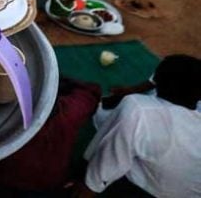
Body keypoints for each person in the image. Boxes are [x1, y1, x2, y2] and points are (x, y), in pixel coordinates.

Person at [78, 55, 201, 197]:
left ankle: (86, 168)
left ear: (158, 81)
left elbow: (114, 154)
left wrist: (89, 187)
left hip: (147, 190)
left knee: (120, 122)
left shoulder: (139, 109)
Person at [0, 78, 102, 193]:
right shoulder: (68, 115)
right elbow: (91, 95)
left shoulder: (12, 122)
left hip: (6, 176)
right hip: (47, 181)